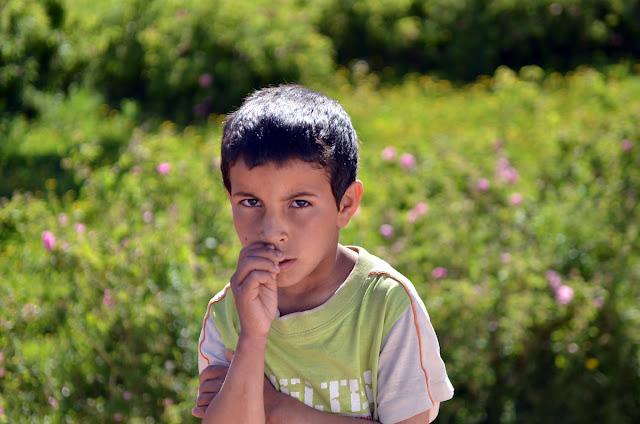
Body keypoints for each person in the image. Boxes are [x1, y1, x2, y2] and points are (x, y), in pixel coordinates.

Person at [192, 84, 454, 423]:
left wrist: (279, 410)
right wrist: (252, 338)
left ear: (345, 204)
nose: (272, 231)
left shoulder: (385, 304)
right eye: (251, 202)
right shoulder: (228, 314)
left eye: (300, 203)